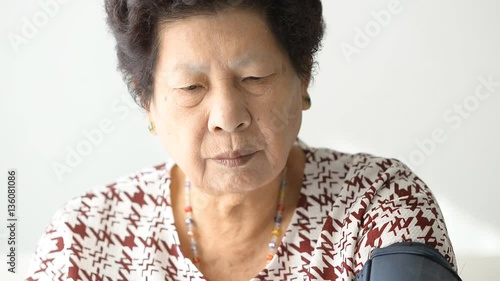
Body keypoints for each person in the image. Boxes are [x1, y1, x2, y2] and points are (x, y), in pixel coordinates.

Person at [25, 0, 460, 280]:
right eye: (191, 88)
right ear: (148, 104)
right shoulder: (83, 238)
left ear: (303, 78)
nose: (227, 118)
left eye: (254, 77)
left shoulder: (377, 207)